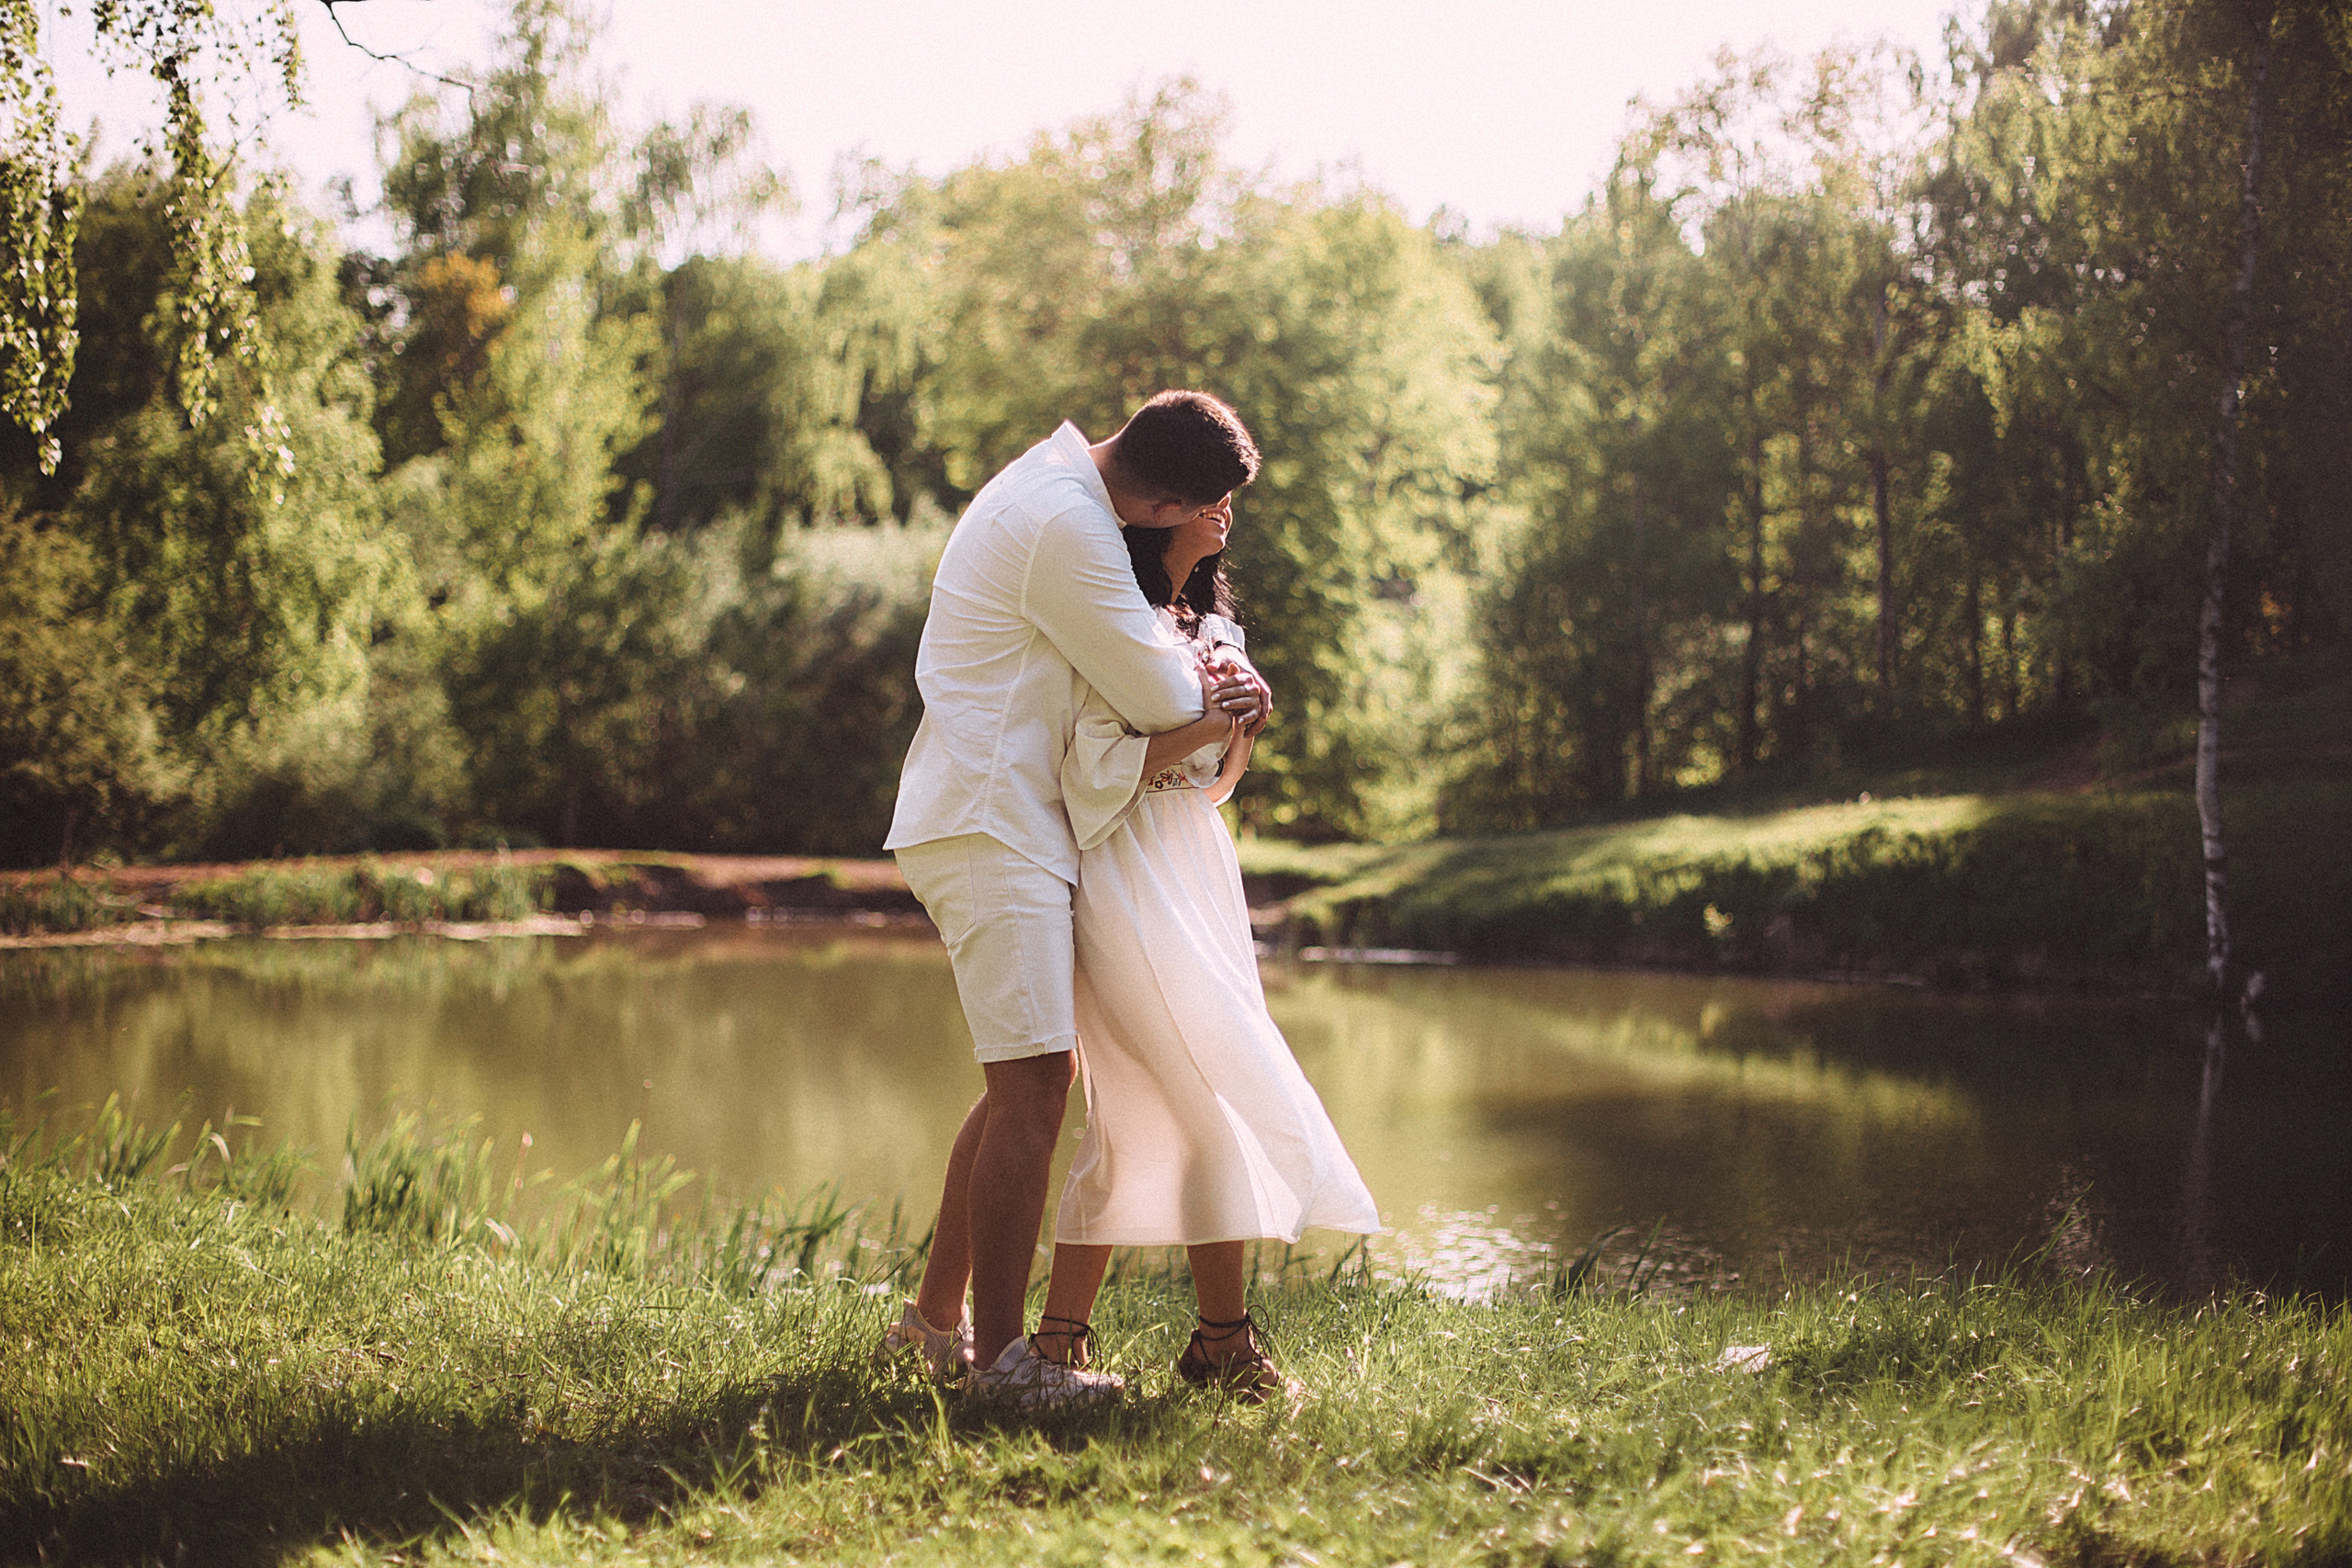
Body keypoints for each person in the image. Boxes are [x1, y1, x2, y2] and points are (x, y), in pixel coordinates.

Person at [878, 392, 1272, 1409]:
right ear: (1170, 499)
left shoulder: (1056, 488)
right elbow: (1155, 697)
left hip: (1007, 811)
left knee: (1025, 1076)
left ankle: (929, 1327)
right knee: (1036, 1085)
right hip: (989, 811)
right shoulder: (1066, 522)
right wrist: (1224, 678)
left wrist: (1209, 664)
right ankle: (1005, 1366)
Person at [1025, 497, 1382, 1403]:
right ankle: (1215, 1343)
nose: (1225, 509)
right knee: (1193, 1104)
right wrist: (1205, 721)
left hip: (1194, 865)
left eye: (1232, 495)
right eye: (1208, 492)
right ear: (1162, 507)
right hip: (1122, 862)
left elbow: (1213, 783)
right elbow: (1092, 769)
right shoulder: (1115, 620)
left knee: (1147, 1115)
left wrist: (1242, 729)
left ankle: (1065, 1344)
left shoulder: (1213, 621)